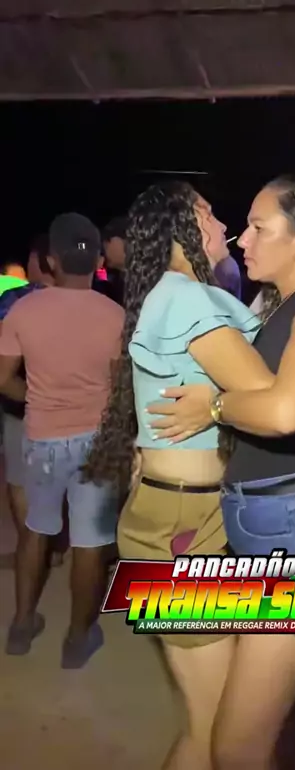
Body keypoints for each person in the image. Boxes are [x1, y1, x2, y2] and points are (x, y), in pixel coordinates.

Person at [84, 179, 295, 770]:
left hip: (224, 516)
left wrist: (220, 406)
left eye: (255, 225)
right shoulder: (192, 299)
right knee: (218, 732)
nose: (231, 230)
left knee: (226, 732)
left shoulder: (214, 299)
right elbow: (277, 398)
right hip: (190, 520)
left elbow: (283, 404)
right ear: (184, 226)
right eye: (213, 215)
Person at [0, 213, 123, 667]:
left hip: (43, 439)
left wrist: (36, 397)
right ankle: (77, 639)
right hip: (96, 442)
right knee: (90, 541)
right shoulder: (115, 315)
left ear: (51, 260)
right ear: (97, 261)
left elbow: (2, 379)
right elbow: (120, 388)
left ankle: (22, 624)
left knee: (36, 530)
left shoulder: (23, 311)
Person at [0, 234, 64, 571]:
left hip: (23, 407)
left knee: (20, 483)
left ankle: (31, 555)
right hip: (73, 409)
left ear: (40, 261)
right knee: (61, 480)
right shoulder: (90, 299)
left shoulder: (14, 300)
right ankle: (55, 549)